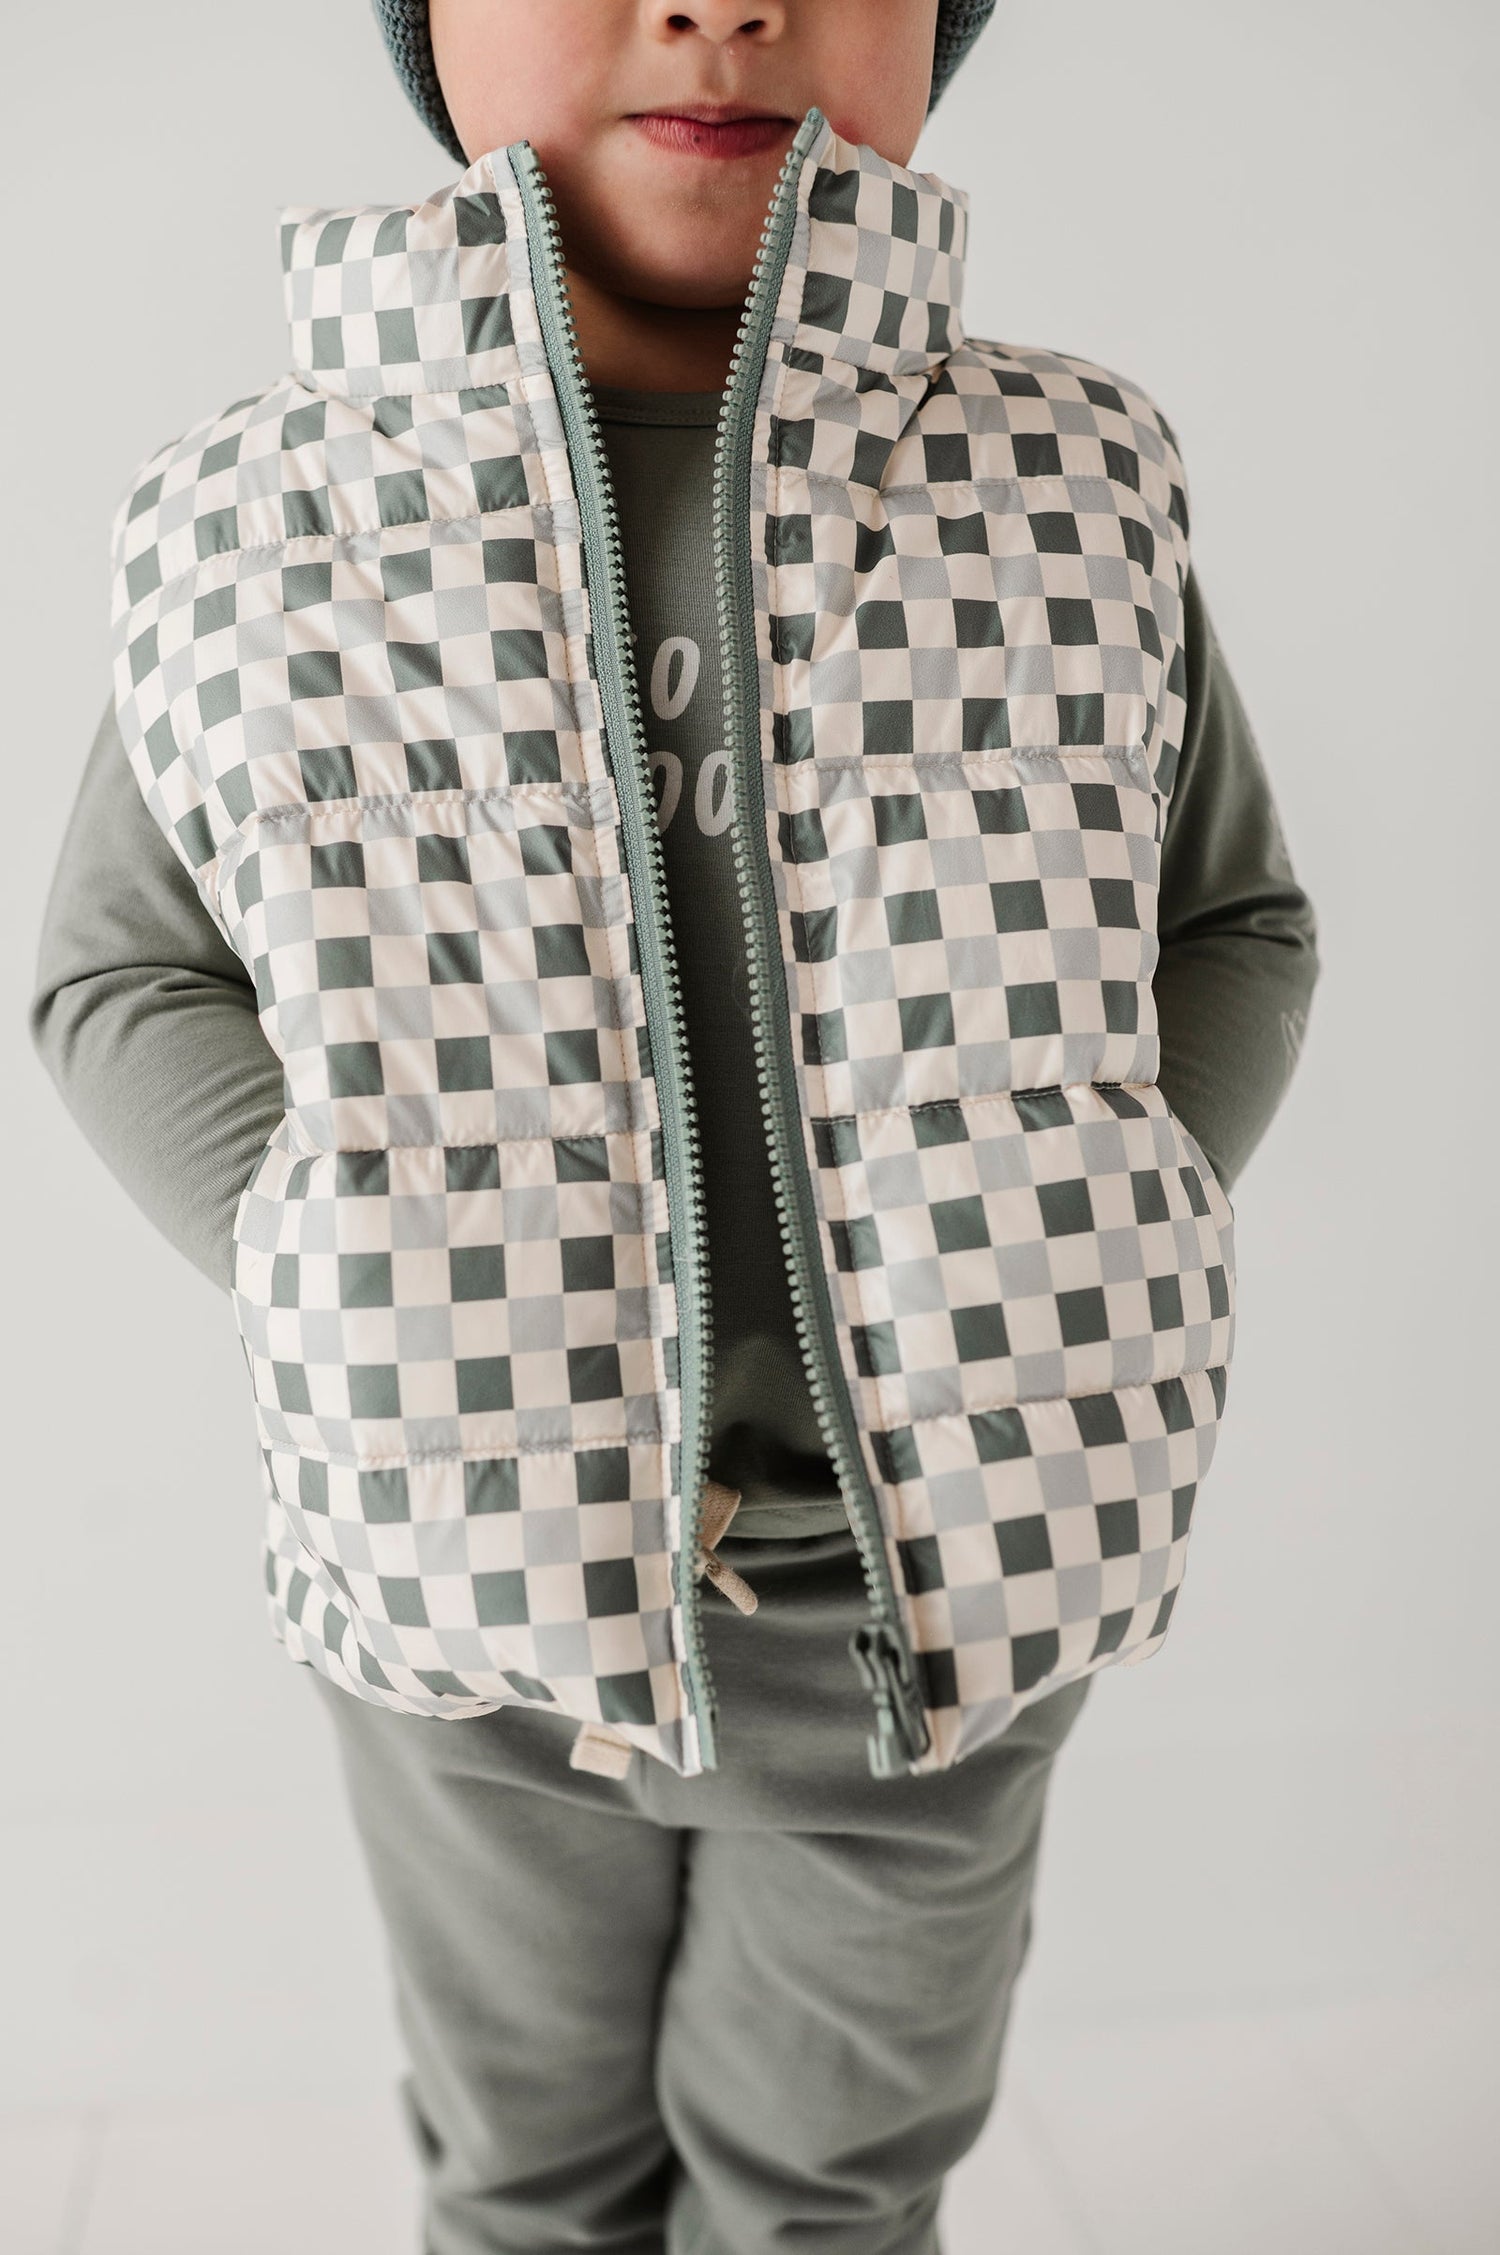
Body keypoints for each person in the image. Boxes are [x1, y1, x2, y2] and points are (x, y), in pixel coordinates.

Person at [29, 3, 1321, 2248]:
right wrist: (334, 1260)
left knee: (831, 2181)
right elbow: (118, 974)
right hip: (462, 1585)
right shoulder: (257, 517)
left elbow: (1229, 919)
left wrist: (1112, 1204)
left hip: (943, 1594)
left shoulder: (1070, 488)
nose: (720, 1)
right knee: (528, 2172)